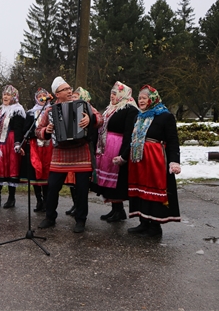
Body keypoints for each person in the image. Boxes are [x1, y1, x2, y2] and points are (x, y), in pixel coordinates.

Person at [36, 77, 102, 233]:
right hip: (60, 153)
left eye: (69, 88)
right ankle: (50, 217)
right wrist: (47, 131)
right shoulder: (50, 110)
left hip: (81, 151)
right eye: (65, 89)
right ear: (57, 94)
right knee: (52, 186)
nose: (70, 91)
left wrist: (89, 118)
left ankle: (81, 220)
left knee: (81, 188)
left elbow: (100, 118)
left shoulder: (84, 105)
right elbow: (38, 130)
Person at [127, 85, 181, 237]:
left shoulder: (165, 116)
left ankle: (155, 227)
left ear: (153, 99)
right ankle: (143, 222)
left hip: (155, 160)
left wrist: (174, 161)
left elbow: (172, 140)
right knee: (140, 191)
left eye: (144, 98)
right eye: (139, 98)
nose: (141, 101)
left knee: (153, 190)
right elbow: (132, 139)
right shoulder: (139, 117)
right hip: (139, 161)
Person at [95, 81, 139, 222]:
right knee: (108, 182)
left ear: (122, 94)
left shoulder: (129, 109)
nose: (112, 96)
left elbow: (128, 133)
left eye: (115, 94)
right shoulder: (111, 108)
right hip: (106, 147)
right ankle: (115, 209)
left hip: (117, 146)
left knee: (116, 181)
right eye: (111, 93)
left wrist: (123, 153)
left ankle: (119, 211)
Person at [64, 87, 100, 217]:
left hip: (86, 146)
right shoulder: (68, 109)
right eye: (73, 97)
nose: (73, 99)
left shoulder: (89, 110)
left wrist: (89, 121)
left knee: (81, 182)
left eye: (76, 97)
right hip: (72, 149)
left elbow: (96, 127)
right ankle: (75, 204)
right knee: (72, 180)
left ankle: (80, 208)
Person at [0, 85, 26, 209]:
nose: (5, 96)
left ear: (14, 97)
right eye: (4, 94)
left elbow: (18, 128)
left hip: (10, 142)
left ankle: (11, 198)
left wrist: (17, 143)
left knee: (11, 169)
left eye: (8, 95)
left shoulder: (17, 110)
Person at [20, 88, 53, 212]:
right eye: (40, 96)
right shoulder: (31, 113)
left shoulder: (52, 111)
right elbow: (25, 131)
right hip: (35, 147)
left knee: (47, 173)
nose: (42, 98)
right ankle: (39, 201)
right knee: (35, 173)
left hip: (49, 147)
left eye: (44, 95)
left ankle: (46, 201)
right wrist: (36, 133)